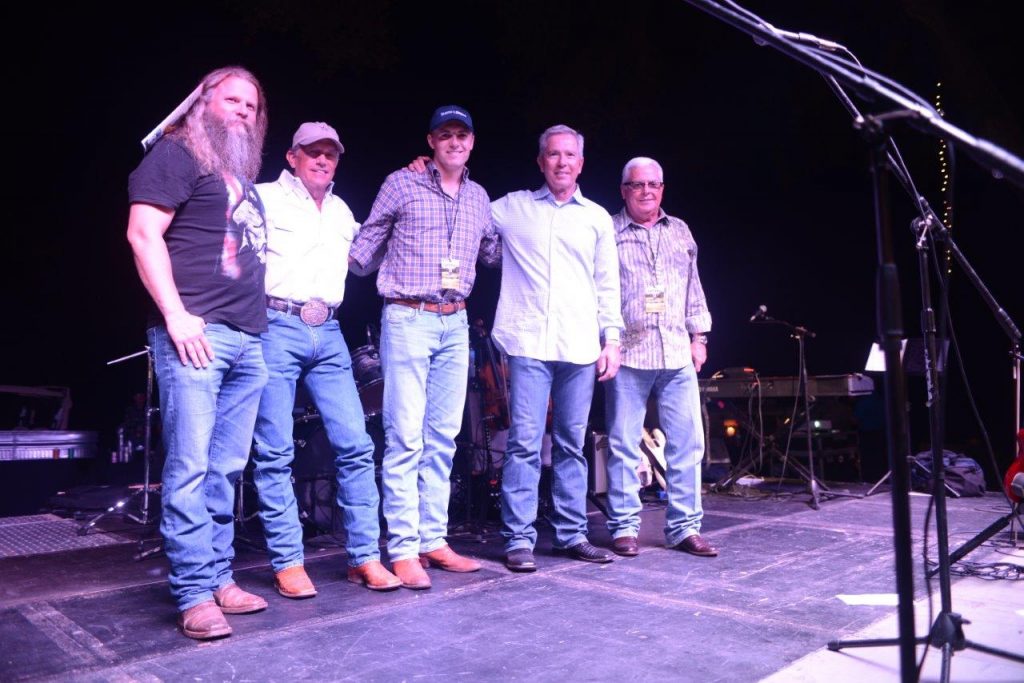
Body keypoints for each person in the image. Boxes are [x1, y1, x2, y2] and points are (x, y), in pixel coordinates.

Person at [126, 66, 271, 640]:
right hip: (197, 335)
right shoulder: (176, 154)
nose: (242, 110)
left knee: (225, 470)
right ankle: (192, 593)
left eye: (251, 105)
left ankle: (217, 577)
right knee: (188, 468)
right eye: (231, 99)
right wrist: (176, 314)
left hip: (247, 339)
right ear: (201, 102)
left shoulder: (236, 169)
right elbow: (142, 234)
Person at [349, 105, 500, 589]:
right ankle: (404, 549)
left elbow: (494, 251)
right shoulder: (402, 182)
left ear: (472, 142)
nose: (455, 142)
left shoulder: (479, 197)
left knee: (443, 439)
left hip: (455, 322)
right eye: (445, 135)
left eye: (462, 135)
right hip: (408, 316)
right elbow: (363, 249)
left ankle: (434, 539)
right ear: (431, 142)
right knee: (405, 437)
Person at [252, 122, 401, 599]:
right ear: (292, 157)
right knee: (275, 450)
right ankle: (288, 562)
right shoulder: (262, 198)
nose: (321, 160)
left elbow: (365, 260)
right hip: (276, 325)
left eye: (330, 154)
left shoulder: (340, 210)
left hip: (330, 331)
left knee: (356, 446)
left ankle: (364, 558)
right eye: (312, 153)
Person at [490, 125, 624, 572]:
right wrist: (428, 172)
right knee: (524, 445)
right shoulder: (512, 208)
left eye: (569, 155)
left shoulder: (597, 218)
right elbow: (463, 207)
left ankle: (570, 534)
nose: (562, 162)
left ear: (580, 164)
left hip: (580, 346)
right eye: (553, 154)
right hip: (528, 342)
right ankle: (519, 540)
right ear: (540, 161)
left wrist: (613, 340)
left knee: (571, 443)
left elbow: (608, 284)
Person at [604, 157, 717, 558]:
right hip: (629, 353)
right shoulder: (608, 231)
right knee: (621, 444)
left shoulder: (680, 230)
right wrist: (607, 340)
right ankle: (623, 527)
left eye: (653, 184)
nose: (646, 191)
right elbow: (599, 293)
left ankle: (684, 527)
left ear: (662, 188)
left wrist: (698, 336)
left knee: (687, 444)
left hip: (675, 352)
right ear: (624, 190)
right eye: (637, 185)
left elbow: (694, 287)